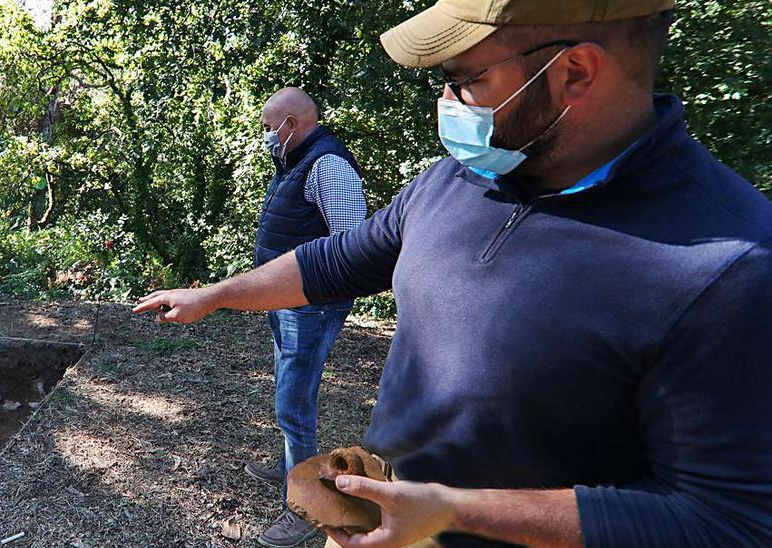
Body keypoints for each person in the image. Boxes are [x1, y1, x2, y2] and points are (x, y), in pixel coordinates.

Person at [135, 0, 772, 546]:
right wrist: (215, 294)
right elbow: (337, 258)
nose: (446, 102)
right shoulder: (456, 179)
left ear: (574, 71)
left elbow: (726, 521)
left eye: (464, 79)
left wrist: (450, 512)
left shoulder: (730, 268)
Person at [248, 87, 369, 548]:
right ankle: (289, 469)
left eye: (268, 129)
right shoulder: (294, 161)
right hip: (287, 301)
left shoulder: (328, 166)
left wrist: (306, 291)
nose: (265, 138)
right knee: (286, 390)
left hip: (311, 306)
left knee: (293, 405)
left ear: (292, 124)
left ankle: (305, 507)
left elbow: (351, 248)